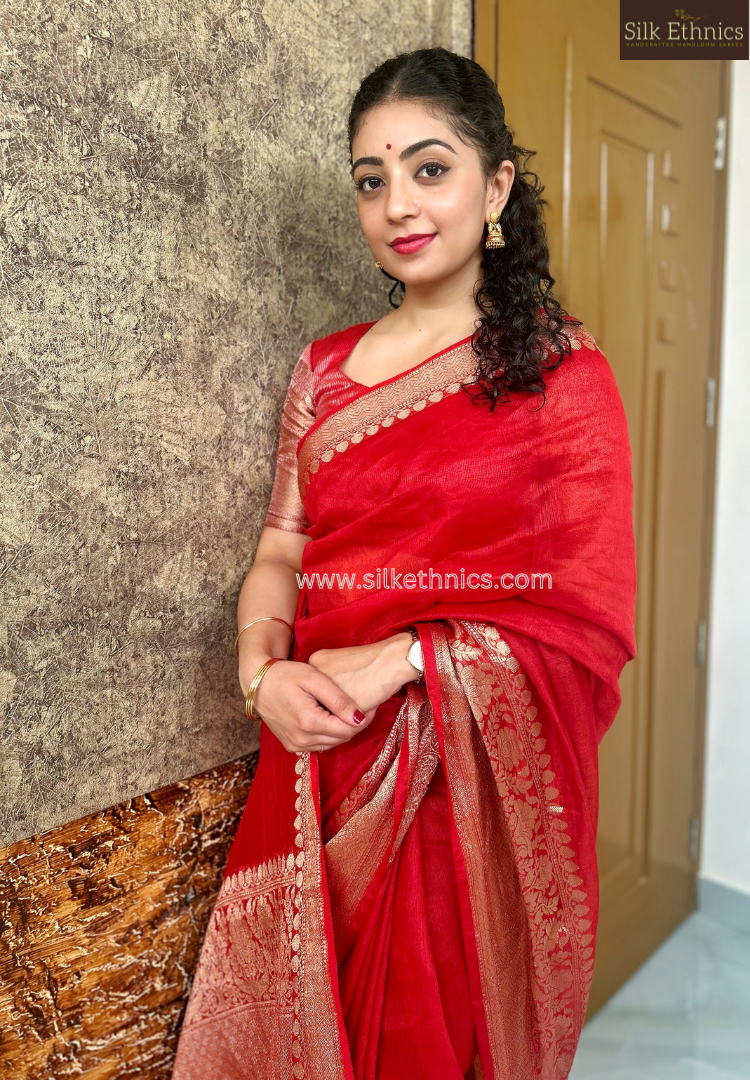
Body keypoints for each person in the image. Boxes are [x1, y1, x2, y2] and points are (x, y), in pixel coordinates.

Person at [171, 47, 636, 1080]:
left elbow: (588, 621)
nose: (397, 204)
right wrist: (261, 675)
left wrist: (409, 658)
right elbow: (281, 549)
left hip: (458, 805)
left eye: (430, 169)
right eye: (371, 179)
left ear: (497, 185)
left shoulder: (564, 377)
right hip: (314, 761)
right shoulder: (326, 370)